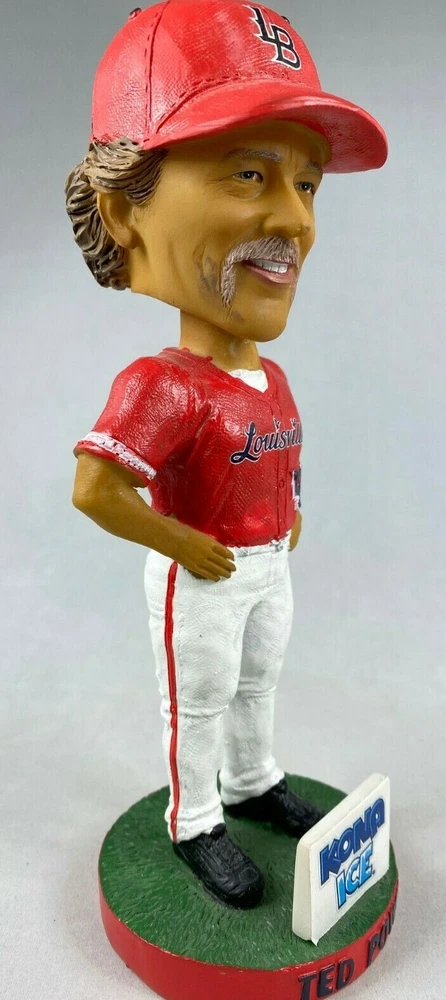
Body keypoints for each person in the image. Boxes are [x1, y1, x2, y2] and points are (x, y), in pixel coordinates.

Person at [66, 0, 387, 909]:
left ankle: (252, 780)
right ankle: (195, 818)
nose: (296, 219)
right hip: (205, 569)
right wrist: (182, 545)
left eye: (309, 184)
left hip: (265, 561)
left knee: (258, 683)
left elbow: (283, 457)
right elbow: (95, 489)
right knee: (199, 699)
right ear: (123, 210)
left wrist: (293, 516)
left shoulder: (269, 376)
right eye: (249, 173)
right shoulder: (161, 383)